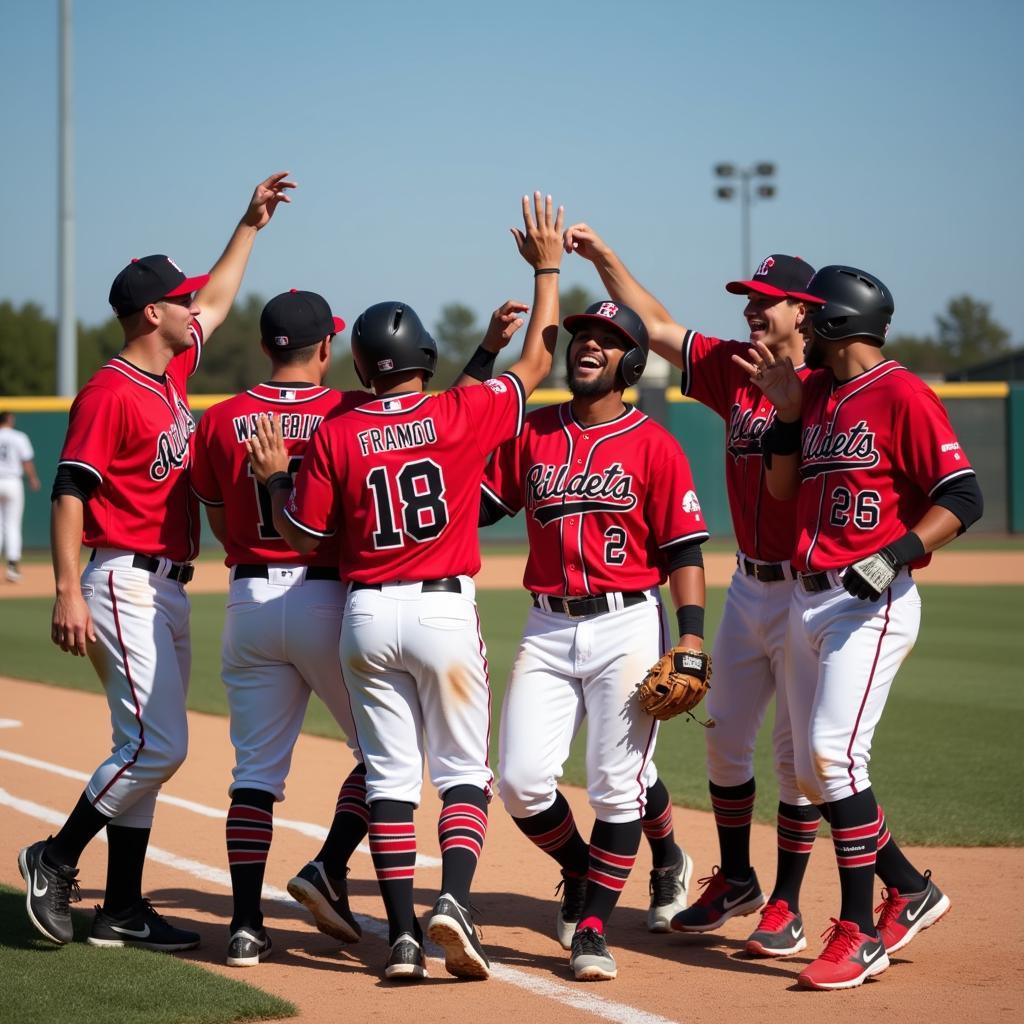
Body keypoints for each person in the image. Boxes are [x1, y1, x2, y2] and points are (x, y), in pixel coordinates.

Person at [245, 192, 564, 982]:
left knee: (388, 779)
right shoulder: (459, 412)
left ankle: (403, 942)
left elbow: (303, 539)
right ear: (426, 353)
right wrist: (548, 270)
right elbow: (536, 362)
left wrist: (279, 480)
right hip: (441, 611)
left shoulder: (338, 431)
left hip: (363, 615)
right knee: (462, 772)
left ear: (358, 366)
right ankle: (451, 901)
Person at [18, 172, 294, 952]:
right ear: (151, 313)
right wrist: (66, 590)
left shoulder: (168, 372)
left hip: (165, 584)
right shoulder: (109, 393)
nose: (192, 306)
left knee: (143, 743)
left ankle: (124, 908)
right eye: (179, 299)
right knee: (156, 745)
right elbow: (69, 493)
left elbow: (222, 295)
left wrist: (249, 224)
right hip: (120, 579)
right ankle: (56, 856)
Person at [564, 226, 827, 955]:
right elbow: (654, 326)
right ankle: (737, 879)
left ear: (803, 312)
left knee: (797, 755)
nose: (753, 310)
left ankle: (787, 903)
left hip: (810, 590)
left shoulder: (827, 387)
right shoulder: (734, 367)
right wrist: (604, 258)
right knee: (723, 746)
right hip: (748, 585)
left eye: (767, 302)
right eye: (749, 298)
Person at [734, 264, 981, 989]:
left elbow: (961, 495)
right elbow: (782, 489)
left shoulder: (901, 391)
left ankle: (860, 931)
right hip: (808, 600)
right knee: (810, 772)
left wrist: (899, 553)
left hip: (870, 603)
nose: (800, 326)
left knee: (833, 758)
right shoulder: (812, 394)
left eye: (812, 316)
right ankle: (909, 886)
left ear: (840, 322)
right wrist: (784, 414)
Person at [480, 298, 710, 981]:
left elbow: (684, 552)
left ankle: (591, 928)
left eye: (607, 341)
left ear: (631, 362)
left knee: (617, 785)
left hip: (627, 621)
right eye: (582, 334)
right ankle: (588, 869)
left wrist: (692, 641)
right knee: (521, 781)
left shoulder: (654, 444)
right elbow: (483, 502)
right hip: (547, 623)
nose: (588, 345)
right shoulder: (535, 432)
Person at [190, 289, 373, 967]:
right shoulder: (352, 410)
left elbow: (217, 523)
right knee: (385, 755)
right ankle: (328, 865)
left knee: (256, 775)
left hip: (250, 601)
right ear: (326, 347)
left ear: (267, 346)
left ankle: (243, 926)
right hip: (330, 597)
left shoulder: (221, 419)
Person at [0, 411, 42, 582]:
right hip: (12, 482)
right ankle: (12, 567)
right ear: (9, 420)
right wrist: (33, 478)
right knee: (12, 524)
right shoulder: (18, 437)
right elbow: (27, 461)